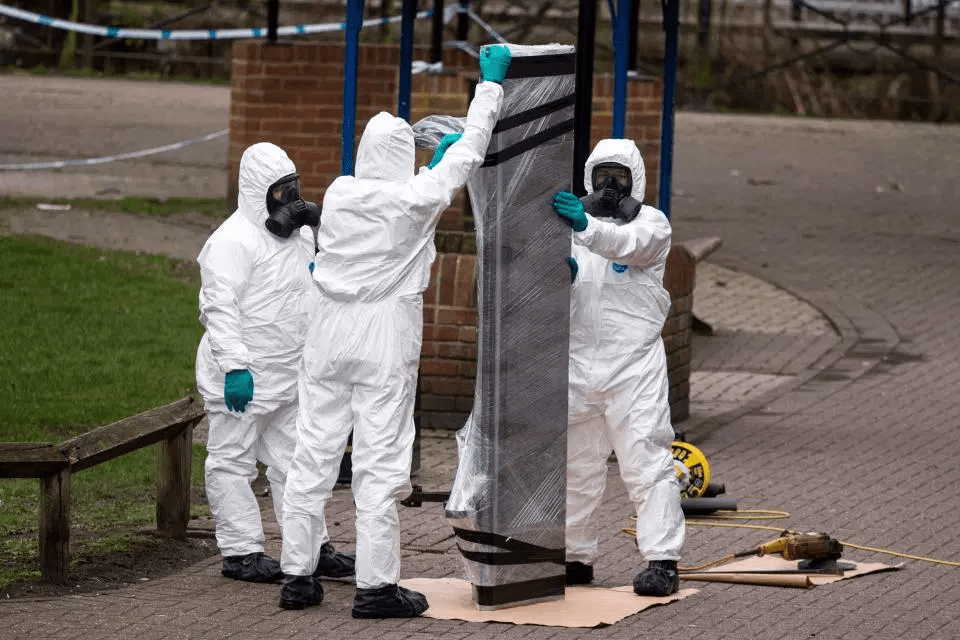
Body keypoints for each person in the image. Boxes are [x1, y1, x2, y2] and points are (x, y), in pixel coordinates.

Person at [277, 45, 513, 615]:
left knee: (311, 455)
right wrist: (488, 88)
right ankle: (376, 587)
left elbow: (401, 191)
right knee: (380, 464)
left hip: (328, 334)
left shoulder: (339, 193)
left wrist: (433, 168)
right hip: (382, 337)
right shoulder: (416, 199)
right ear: (403, 159)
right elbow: (471, 154)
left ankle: (296, 577)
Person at [196, 142, 354, 585]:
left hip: (288, 376)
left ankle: (310, 547)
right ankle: (241, 551)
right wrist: (234, 367)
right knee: (232, 463)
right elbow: (219, 307)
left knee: (297, 464)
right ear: (256, 192)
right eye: (282, 191)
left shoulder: (299, 236)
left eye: (295, 188)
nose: (292, 200)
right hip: (243, 378)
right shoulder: (231, 242)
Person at [551, 138, 685, 597]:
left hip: (633, 368)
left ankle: (662, 560)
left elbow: (625, 245)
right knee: (576, 467)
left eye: (620, 178)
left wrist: (584, 225)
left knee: (646, 462)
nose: (610, 187)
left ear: (637, 181)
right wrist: (559, 278)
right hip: (577, 363)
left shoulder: (652, 225)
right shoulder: (570, 227)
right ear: (588, 177)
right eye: (602, 176)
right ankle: (573, 556)